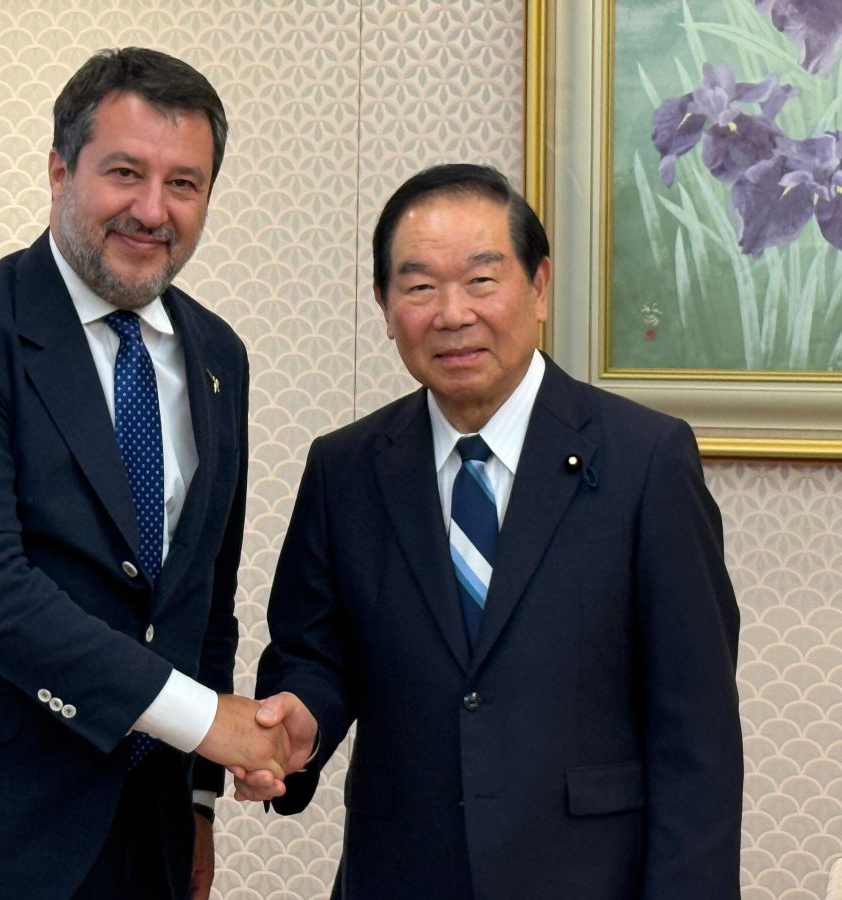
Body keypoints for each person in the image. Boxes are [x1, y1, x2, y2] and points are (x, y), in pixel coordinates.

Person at [0, 47, 292, 899]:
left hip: (147, 834)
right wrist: (207, 722)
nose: (152, 210)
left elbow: (204, 601)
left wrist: (198, 798)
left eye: (184, 183)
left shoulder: (218, 355)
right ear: (59, 171)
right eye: (125, 173)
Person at [236, 164, 743, 898]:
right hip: (400, 876)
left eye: (481, 280)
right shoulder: (346, 468)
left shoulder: (645, 461)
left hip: (588, 879)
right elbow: (313, 654)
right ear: (384, 305)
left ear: (539, 286)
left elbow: (696, 732)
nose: (452, 314)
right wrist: (300, 719)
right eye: (418, 287)